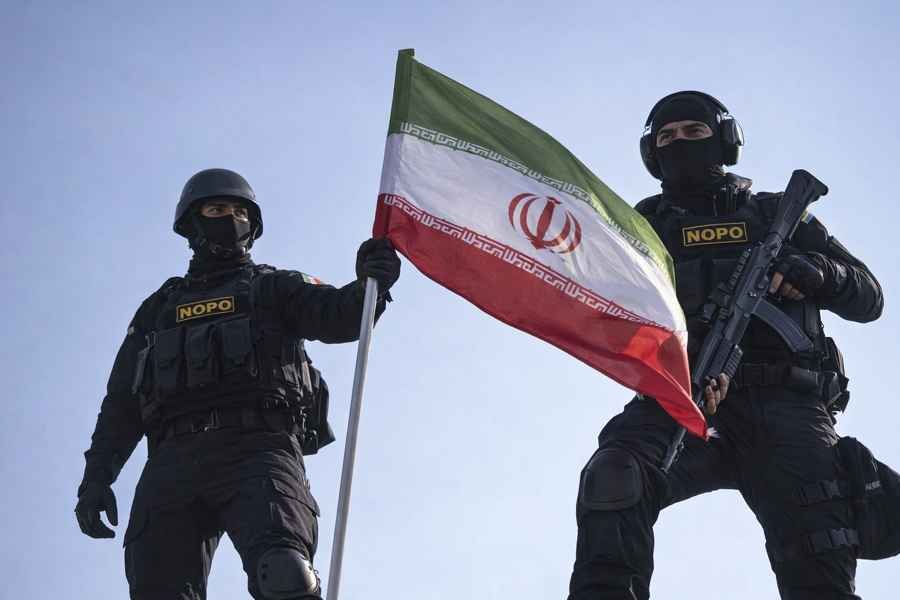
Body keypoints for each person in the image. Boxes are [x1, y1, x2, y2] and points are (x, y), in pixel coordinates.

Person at [568, 92, 890, 599]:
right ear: (651, 153)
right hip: (681, 398)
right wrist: (677, 373)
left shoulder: (777, 216)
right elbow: (606, 316)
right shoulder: (639, 228)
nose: (679, 143)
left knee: (818, 546)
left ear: (724, 141)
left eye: (694, 132)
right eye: (666, 137)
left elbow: (870, 298)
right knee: (616, 476)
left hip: (787, 403)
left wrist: (820, 273)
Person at [75, 168, 400, 600]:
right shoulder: (157, 310)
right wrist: (96, 479)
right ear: (192, 224)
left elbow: (341, 316)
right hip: (172, 461)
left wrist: (370, 284)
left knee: (285, 576)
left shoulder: (275, 286)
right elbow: (120, 404)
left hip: (259, 449)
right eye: (216, 209)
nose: (230, 218)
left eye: (239, 211)